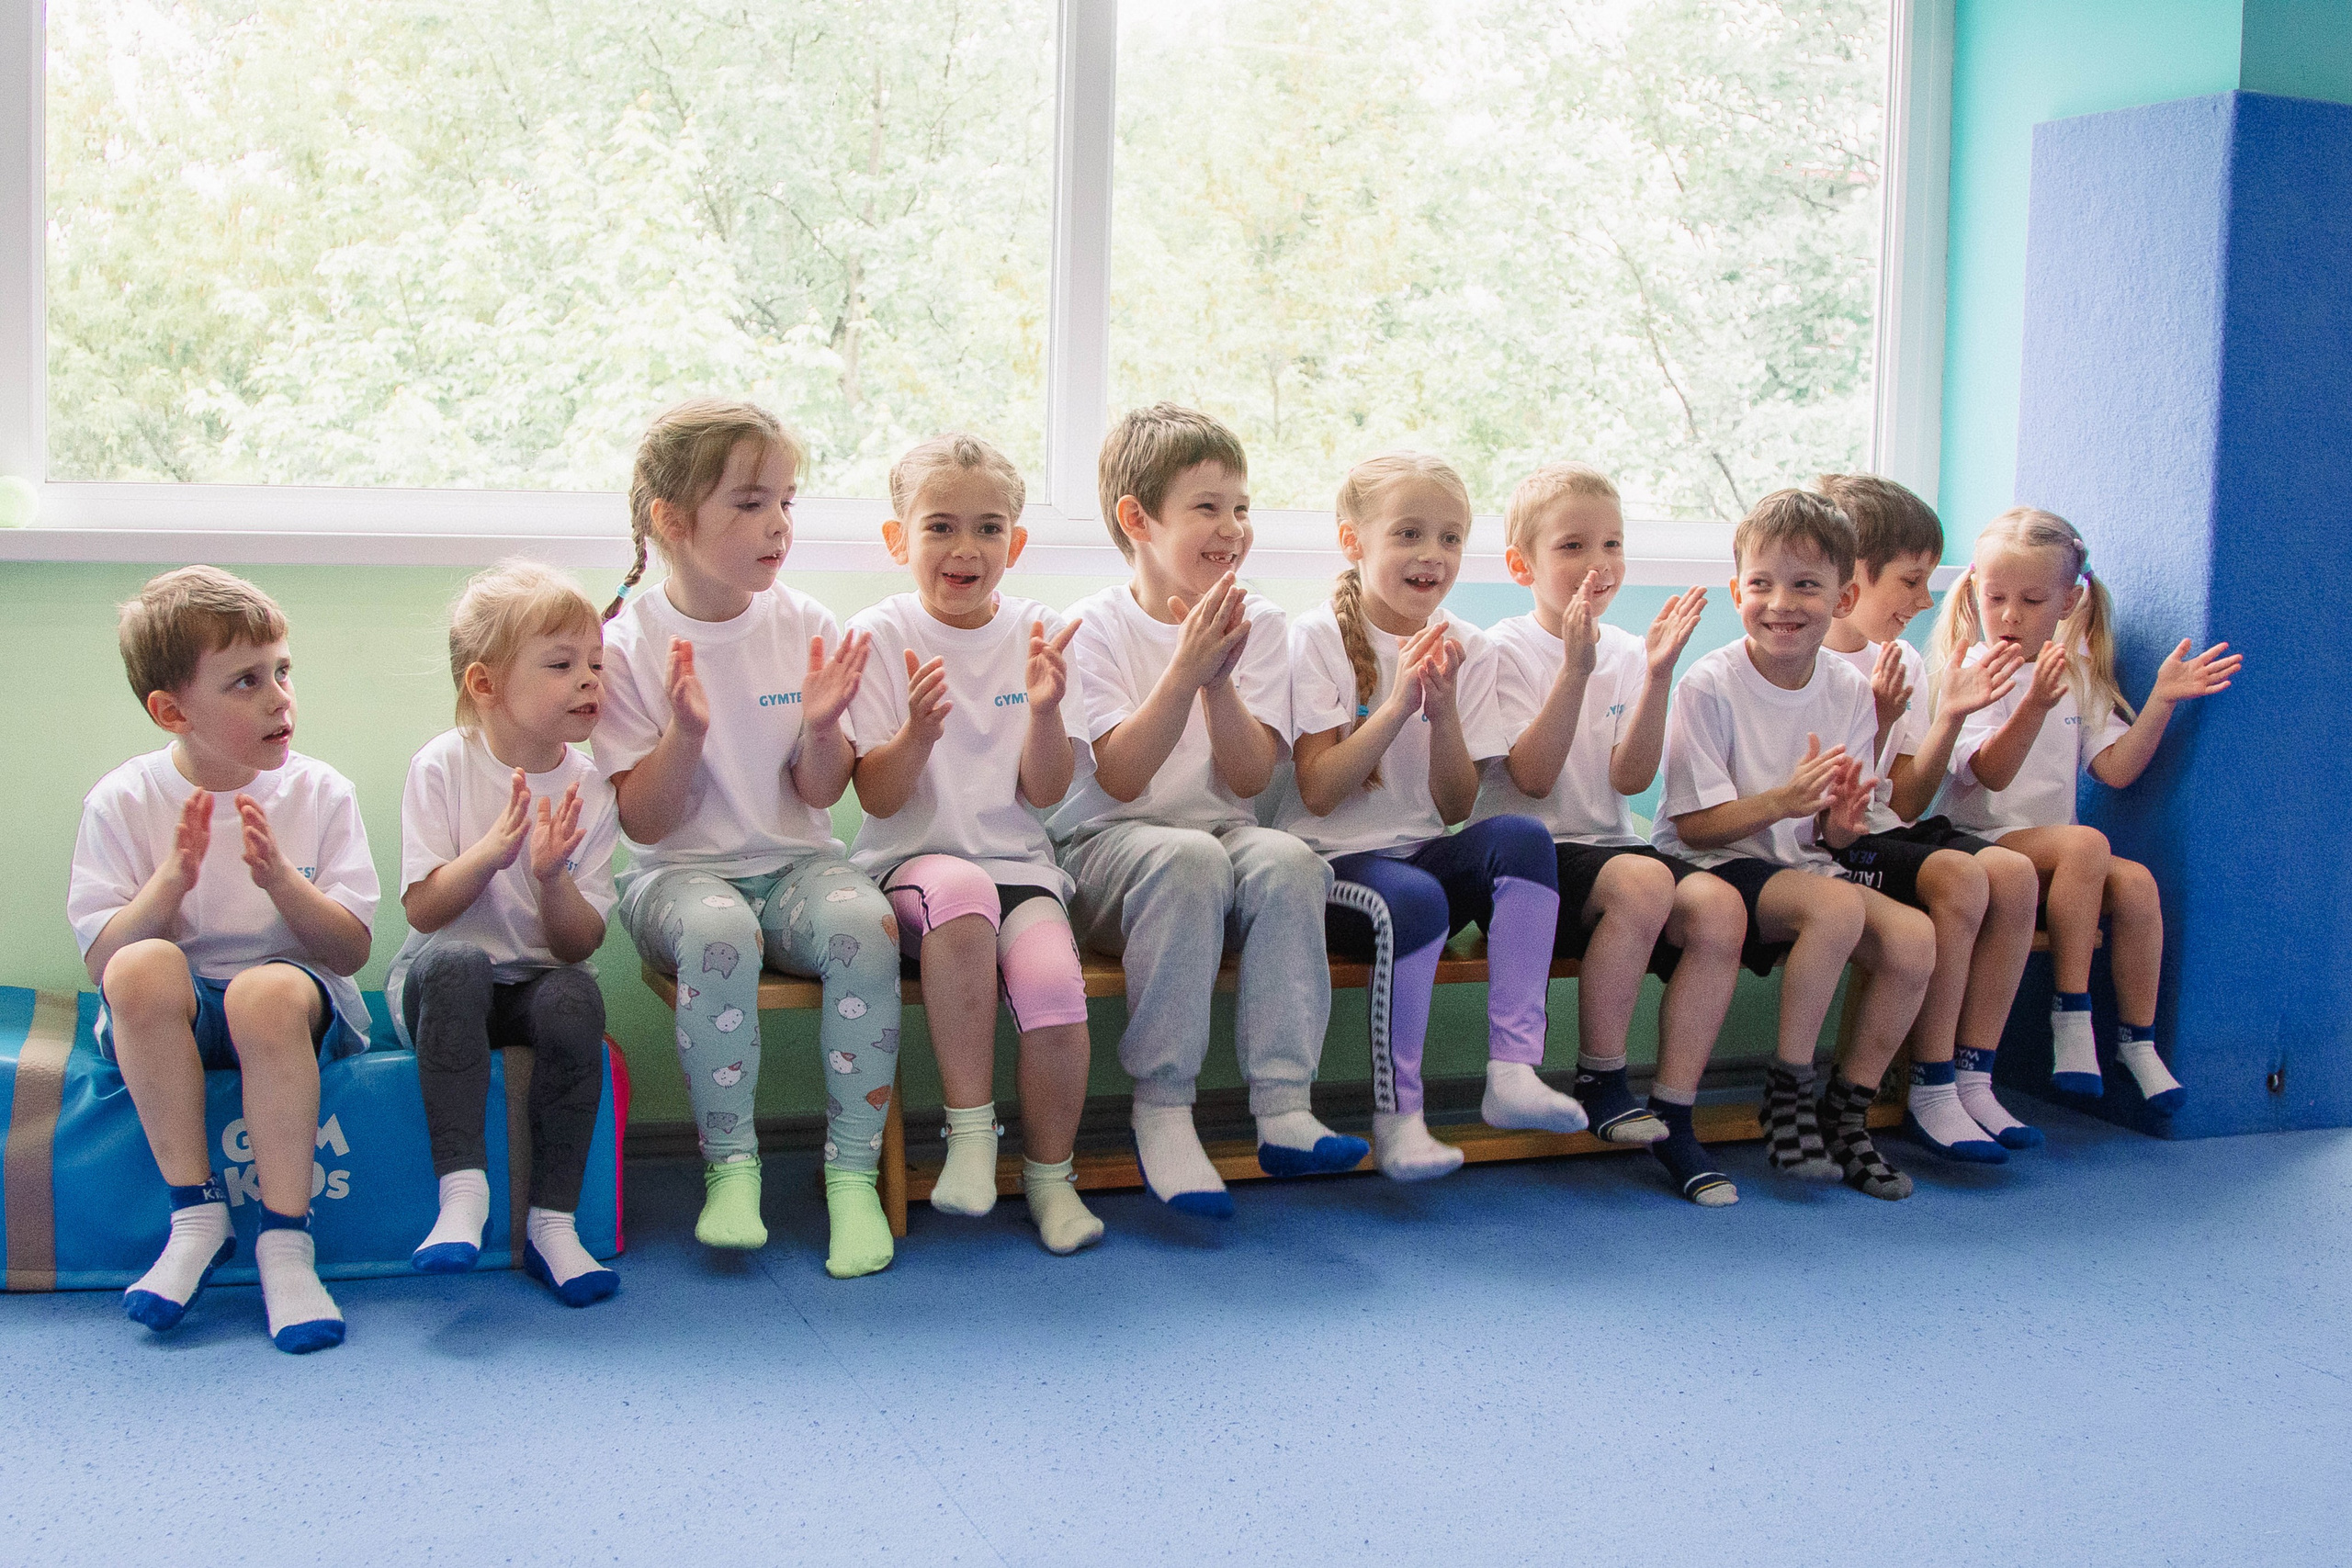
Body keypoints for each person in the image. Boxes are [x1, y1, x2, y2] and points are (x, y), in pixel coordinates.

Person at [596, 399, 903, 1279]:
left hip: (797, 865)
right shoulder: (629, 645)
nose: (777, 525)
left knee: (864, 922)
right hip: (677, 878)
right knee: (718, 931)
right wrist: (685, 735)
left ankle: (849, 1174)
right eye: (749, 503)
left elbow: (821, 791)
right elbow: (643, 823)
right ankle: (731, 1169)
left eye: (787, 502)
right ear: (672, 521)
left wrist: (821, 729)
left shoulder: (806, 624)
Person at [1049, 404, 1367, 1215]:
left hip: (1223, 837)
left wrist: (1221, 682)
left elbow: (1253, 773)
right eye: (1207, 507)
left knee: (1293, 858)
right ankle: (1162, 1108)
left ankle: (1283, 1106)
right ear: (1138, 519)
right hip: (1108, 851)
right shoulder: (1092, 628)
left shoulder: (1257, 622)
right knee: (1187, 858)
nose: (1232, 527)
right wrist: (1184, 669)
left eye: (1242, 507)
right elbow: (1119, 778)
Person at [69, 567, 377, 1351]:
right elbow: (102, 962)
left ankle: (285, 1239)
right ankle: (196, 1214)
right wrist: (168, 883)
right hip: (182, 1012)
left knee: (263, 993)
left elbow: (350, 948)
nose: (279, 697)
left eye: (282, 670)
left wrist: (281, 882)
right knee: (139, 966)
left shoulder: (321, 792)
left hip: (290, 1007)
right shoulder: (124, 799)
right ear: (173, 711)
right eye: (245, 680)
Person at [1273, 452, 1577, 1183]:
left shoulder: (1469, 645)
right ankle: (1400, 1117)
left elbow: (1455, 807)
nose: (1431, 556)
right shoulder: (1315, 637)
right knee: (1415, 897)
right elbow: (1318, 791)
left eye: (1449, 538)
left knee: (1524, 838)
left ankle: (1512, 1070)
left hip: (1419, 855)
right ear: (1354, 541)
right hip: (1332, 867)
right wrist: (1399, 704)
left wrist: (1443, 716)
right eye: (1409, 534)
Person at [842, 434, 1103, 1256]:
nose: (966, 549)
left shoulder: (1044, 631)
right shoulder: (879, 634)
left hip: (1018, 868)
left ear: (1015, 544)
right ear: (899, 540)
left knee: (1056, 982)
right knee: (959, 894)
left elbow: (1047, 790)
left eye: (989, 528)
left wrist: (1050, 711)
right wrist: (917, 733)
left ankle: (1051, 1178)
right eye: (941, 527)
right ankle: (970, 1134)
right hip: (914, 872)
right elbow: (877, 796)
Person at [1473, 461, 1747, 1205]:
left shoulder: (1629, 651)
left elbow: (1630, 781)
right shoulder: (1499, 647)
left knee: (1722, 909)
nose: (1598, 565)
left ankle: (1677, 1113)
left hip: (1610, 856)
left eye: (1613, 545)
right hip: (1527, 863)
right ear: (1521, 564)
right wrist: (1573, 668)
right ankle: (1601, 1077)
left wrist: (1656, 675)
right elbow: (1529, 777)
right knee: (1645, 876)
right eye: (1572, 547)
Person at [1654, 491, 1937, 1199]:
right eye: (1762, 584)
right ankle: (1787, 1089)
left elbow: (1833, 836)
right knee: (1836, 909)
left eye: (1806, 585)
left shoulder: (1847, 689)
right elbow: (1694, 827)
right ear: (1736, 591)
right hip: (1716, 864)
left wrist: (1838, 820)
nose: (1782, 602)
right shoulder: (1710, 684)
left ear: (1843, 598)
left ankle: (1846, 1115)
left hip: (1801, 870)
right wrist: (1785, 799)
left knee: (1913, 940)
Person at [1928, 505, 2239, 1113]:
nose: (2011, 615)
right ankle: (2071, 1015)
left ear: (2069, 602)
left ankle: (2136, 1041)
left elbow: (2116, 769)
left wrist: (2162, 701)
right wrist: (2033, 707)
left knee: (2139, 885)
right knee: (2086, 844)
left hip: (2059, 861)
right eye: (1996, 598)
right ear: (1973, 592)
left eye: (2033, 600)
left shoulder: (2075, 672)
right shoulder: (1968, 672)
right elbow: (1989, 771)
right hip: (1979, 843)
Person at [388, 561, 621, 1304]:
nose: (589, 680)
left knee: (576, 1000)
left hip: (531, 981)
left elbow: (579, 944)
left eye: (595, 663)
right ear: (485, 685)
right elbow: (423, 911)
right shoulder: (442, 765)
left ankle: (553, 1223)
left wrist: (551, 878)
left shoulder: (591, 787)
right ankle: (463, 1193)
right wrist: (493, 851)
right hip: (440, 980)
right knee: (457, 961)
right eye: (561, 664)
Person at [1815, 473, 2041, 1157]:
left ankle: (1974, 1073)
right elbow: (1831, 809)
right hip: (1835, 843)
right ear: (1855, 575)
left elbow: (1908, 800)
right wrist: (1875, 721)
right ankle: (1931, 1083)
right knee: (1961, 880)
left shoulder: (1901, 656)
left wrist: (1949, 716)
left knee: (2018, 875)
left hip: (1892, 826)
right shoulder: (1807, 657)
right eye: (1911, 581)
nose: (1924, 599)